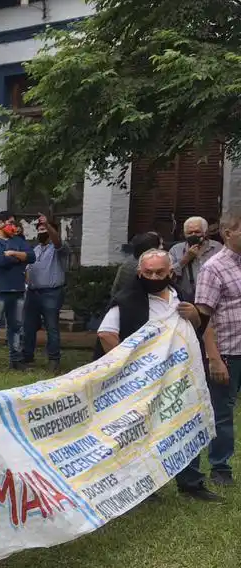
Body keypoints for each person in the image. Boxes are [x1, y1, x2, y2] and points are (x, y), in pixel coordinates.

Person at [98, 249, 220, 503]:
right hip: (145, 382)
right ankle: (145, 486)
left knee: (186, 425)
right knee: (144, 431)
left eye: (159, 272)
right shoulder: (128, 300)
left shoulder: (181, 297)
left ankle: (191, 482)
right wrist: (131, 367)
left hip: (180, 378)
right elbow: (106, 334)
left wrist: (195, 316)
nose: (154, 277)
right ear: (139, 273)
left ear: (170, 272)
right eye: (148, 272)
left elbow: (199, 329)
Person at [194, 212, 241, 487]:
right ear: (227, 233)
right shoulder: (213, 268)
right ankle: (220, 468)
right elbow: (203, 317)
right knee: (222, 412)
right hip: (227, 353)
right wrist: (214, 358)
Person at [0, 211, 36, 370]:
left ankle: (16, 360)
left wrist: (12, 253)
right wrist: (20, 258)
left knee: (16, 327)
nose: (14, 227)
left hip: (17, 289)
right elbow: (0, 260)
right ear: (0, 224)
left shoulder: (18, 240)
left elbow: (32, 257)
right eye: (10, 223)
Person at [22, 214, 70, 374]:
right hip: (33, 293)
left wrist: (48, 225)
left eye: (44, 229)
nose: (41, 232)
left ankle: (54, 360)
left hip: (51, 293)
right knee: (28, 327)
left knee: (51, 327)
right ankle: (27, 357)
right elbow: (28, 269)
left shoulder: (58, 249)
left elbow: (57, 241)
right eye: (39, 229)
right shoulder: (35, 250)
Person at [169, 216, 220, 304]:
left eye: (197, 232)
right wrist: (185, 259)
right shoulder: (176, 250)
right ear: (184, 234)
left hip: (213, 298)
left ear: (205, 233)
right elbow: (168, 275)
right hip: (186, 300)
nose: (193, 235)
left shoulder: (217, 248)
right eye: (189, 233)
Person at [112, 231, 162, 299]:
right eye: (160, 246)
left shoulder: (126, 265)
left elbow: (114, 290)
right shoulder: (148, 271)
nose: (162, 247)